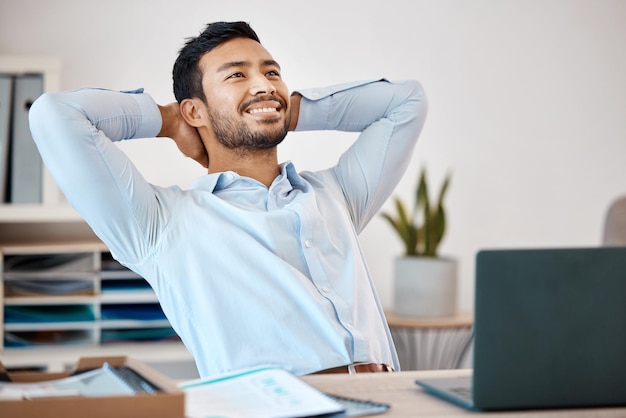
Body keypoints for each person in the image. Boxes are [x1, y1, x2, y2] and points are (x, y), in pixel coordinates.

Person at [29, 21, 428, 377]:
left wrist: (277, 109)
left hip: (391, 400)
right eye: (236, 75)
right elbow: (55, 114)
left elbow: (407, 101)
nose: (264, 83)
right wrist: (169, 121)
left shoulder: (337, 196)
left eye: (272, 73)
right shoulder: (161, 225)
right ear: (194, 111)